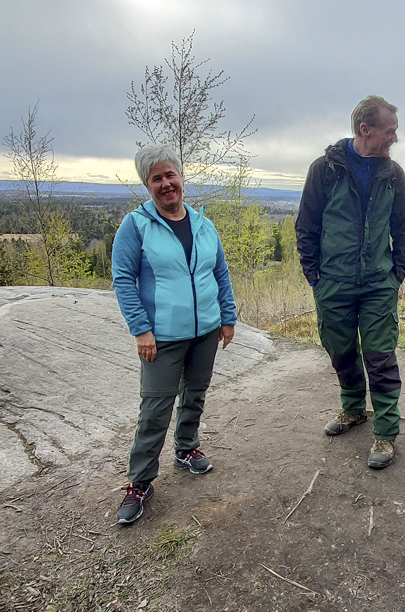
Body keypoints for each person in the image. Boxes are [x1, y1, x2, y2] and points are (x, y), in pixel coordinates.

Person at [111, 143, 237, 523]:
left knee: (195, 394)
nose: (166, 184)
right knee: (155, 408)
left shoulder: (203, 224)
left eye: (170, 175)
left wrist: (227, 317)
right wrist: (141, 330)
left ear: (182, 177)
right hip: (162, 336)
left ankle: (186, 449)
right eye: (157, 178)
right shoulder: (136, 226)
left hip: (206, 330)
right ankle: (140, 481)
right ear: (147, 185)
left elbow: (220, 273)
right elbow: (123, 280)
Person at [296, 95, 405, 469]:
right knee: (341, 351)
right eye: (389, 131)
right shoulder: (324, 170)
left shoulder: (393, 175)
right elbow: (307, 227)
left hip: (379, 284)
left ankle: (386, 432)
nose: (394, 138)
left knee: (380, 357)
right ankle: (353, 409)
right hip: (333, 284)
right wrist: (315, 277)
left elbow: (403, 230)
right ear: (365, 129)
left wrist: (395, 276)